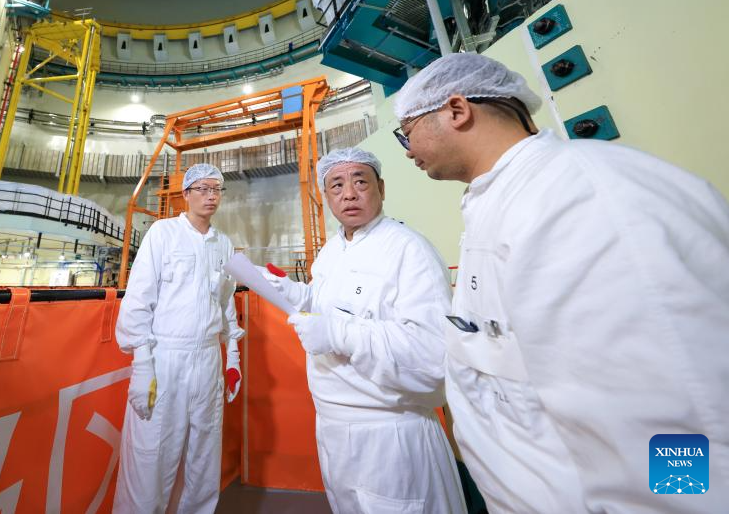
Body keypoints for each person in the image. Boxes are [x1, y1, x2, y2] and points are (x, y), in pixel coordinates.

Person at [392, 52, 729, 512]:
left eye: (407, 132)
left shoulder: (578, 200)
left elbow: (679, 424)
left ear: (456, 110)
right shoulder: (502, 201)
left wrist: (680, 501)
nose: (407, 149)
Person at [265, 147, 466, 513]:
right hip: (332, 427)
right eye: (336, 186)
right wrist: (296, 294)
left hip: (390, 433)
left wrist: (340, 334)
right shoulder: (332, 250)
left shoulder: (408, 249)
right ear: (326, 197)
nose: (349, 194)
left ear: (381, 189)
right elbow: (331, 305)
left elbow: (433, 356)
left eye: (360, 182)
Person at [114, 163, 243, 513]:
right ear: (185, 194)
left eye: (216, 189)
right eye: (202, 189)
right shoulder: (163, 233)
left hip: (208, 359)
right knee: (151, 455)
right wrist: (142, 364)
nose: (211, 196)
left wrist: (232, 357)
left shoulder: (224, 244)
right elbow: (139, 299)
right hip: (165, 358)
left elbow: (226, 304)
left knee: (204, 454)